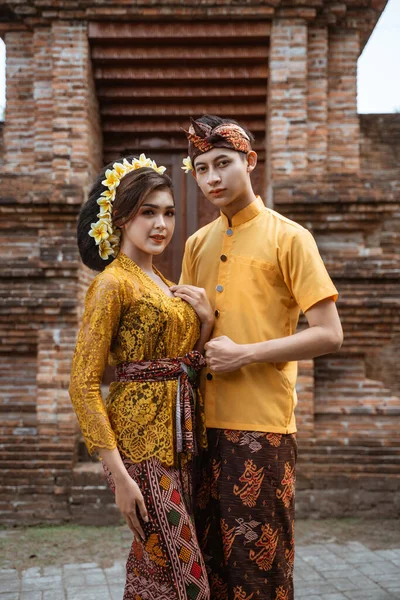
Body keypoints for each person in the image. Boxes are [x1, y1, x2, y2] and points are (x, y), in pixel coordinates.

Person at [173, 116, 343, 600]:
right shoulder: (195, 245)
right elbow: (195, 339)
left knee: (260, 573)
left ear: (250, 162)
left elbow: (330, 334)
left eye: (223, 164)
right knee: (207, 570)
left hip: (262, 429)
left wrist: (245, 354)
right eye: (201, 169)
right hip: (200, 429)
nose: (212, 179)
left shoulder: (290, 238)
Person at [69, 154, 213, 600]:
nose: (161, 224)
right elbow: (82, 383)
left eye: (168, 212)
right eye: (147, 212)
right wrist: (120, 478)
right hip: (138, 452)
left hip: (184, 441)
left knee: (158, 575)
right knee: (189, 583)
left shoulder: (164, 283)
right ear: (120, 218)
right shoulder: (113, 284)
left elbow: (187, 361)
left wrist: (205, 321)